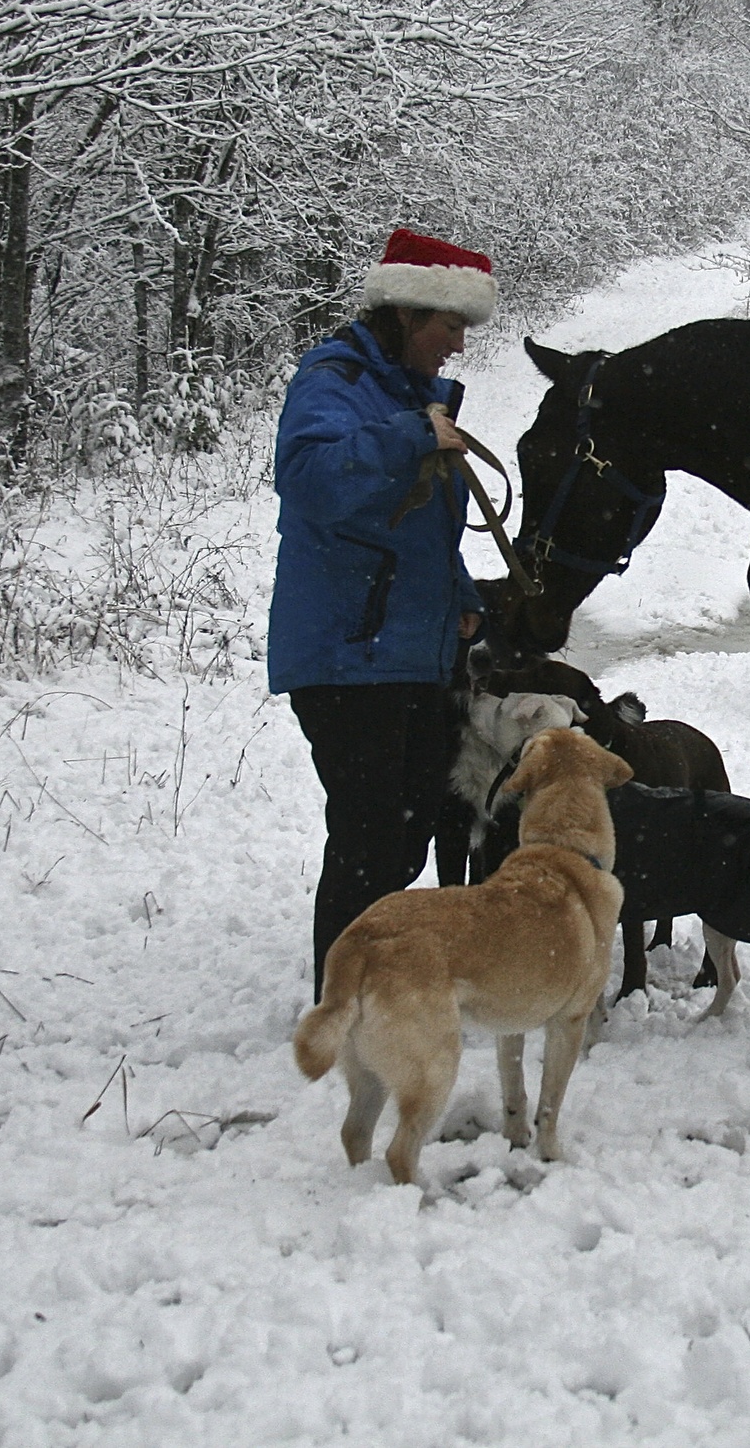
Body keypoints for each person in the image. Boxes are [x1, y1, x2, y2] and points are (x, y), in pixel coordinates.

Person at [271, 228, 494, 983]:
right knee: (369, 836)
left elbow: (418, 533)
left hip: (409, 651)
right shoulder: (332, 380)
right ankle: (342, 1000)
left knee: (405, 835)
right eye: (449, 326)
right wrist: (408, 435)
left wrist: (461, 598)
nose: (458, 346)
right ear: (404, 311)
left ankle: (375, 978)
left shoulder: (409, 394)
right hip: (345, 653)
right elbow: (310, 478)